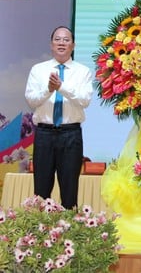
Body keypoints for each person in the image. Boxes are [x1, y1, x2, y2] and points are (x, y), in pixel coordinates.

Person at [24, 26, 94, 209]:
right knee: (41, 191)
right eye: (57, 39)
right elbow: (31, 100)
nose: (61, 43)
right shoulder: (38, 70)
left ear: (73, 45)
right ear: (51, 44)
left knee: (70, 192)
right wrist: (49, 89)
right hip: (44, 134)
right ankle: (40, 235)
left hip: (71, 134)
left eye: (66, 40)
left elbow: (84, 100)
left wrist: (61, 87)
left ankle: (69, 233)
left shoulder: (83, 71)